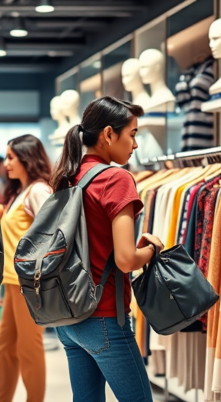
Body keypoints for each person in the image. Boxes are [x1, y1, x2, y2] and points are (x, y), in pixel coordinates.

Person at [50, 96, 163, 402]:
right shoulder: (116, 178)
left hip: (67, 317)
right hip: (103, 316)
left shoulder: (66, 176)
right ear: (109, 134)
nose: (135, 145)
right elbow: (127, 260)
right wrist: (151, 251)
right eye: (133, 134)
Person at [0, 135, 52, 402]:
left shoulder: (39, 190)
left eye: (11, 157)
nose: (6, 163)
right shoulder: (20, 192)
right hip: (12, 282)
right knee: (6, 346)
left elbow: (53, 236)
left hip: (30, 284)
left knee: (29, 348)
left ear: (27, 158)